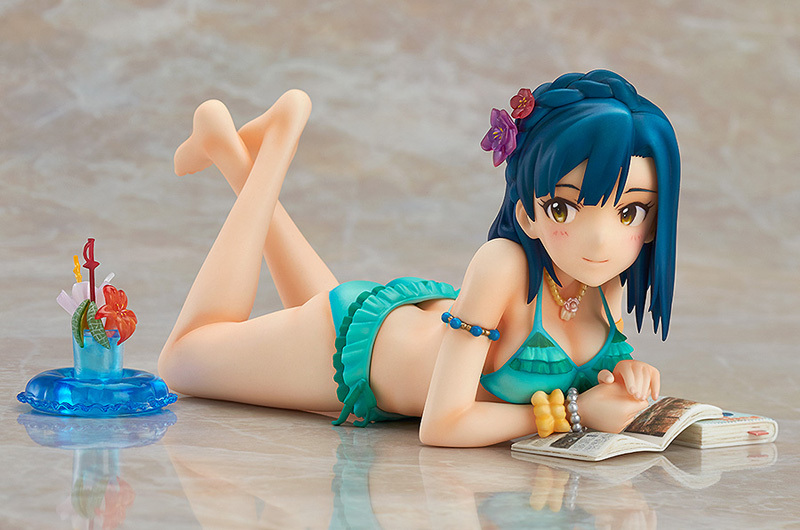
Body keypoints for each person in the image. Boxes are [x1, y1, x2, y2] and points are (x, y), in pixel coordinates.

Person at [158, 70, 680, 447]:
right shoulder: (502, 264)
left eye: (630, 212)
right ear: (527, 214)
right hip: (347, 352)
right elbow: (443, 425)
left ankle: (225, 148)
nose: (600, 242)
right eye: (564, 207)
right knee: (181, 360)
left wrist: (625, 373)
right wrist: (574, 412)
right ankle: (278, 143)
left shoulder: (605, 287)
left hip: (392, 318)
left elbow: (582, 372)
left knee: (309, 304)